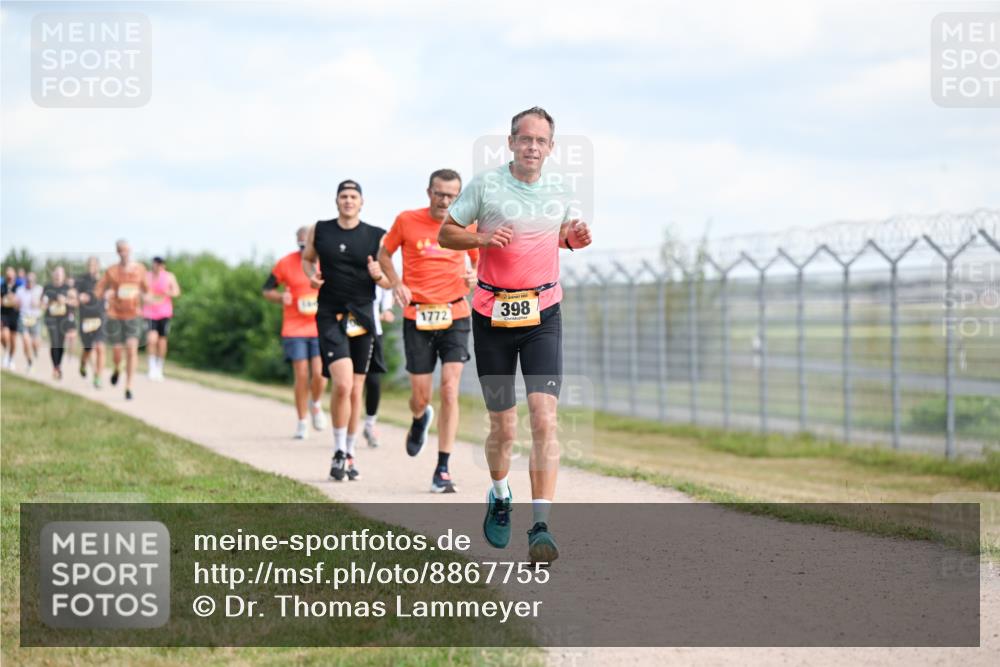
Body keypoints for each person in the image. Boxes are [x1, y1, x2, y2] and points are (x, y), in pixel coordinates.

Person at [438, 107, 592, 564]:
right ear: (510, 142)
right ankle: (500, 493)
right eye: (524, 139)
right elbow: (447, 234)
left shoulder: (560, 190)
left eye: (541, 141)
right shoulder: (485, 185)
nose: (532, 147)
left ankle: (541, 525)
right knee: (504, 428)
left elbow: (558, 237)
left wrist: (574, 237)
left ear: (550, 148)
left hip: (543, 312)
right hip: (492, 314)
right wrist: (482, 241)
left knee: (544, 420)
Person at [378, 168, 479, 494]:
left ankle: (443, 469)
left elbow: (481, 260)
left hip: (455, 313)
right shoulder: (407, 220)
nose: (445, 200)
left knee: (450, 389)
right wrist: (396, 283)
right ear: (429, 192)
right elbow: (384, 253)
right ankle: (420, 418)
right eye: (440, 193)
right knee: (420, 396)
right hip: (417, 315)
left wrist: (475, 277)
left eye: (452, 195)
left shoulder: (467, 224)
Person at [301, 179, 391, 482]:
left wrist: (379, 276)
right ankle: (338, 450)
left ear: (362, 202)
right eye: (343, 196)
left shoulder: (377, 236)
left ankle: (349, 453)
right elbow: (307, 259)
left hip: (363, 317)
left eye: (353, 196)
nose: (348, 201)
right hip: (330, 314)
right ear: (336, 201)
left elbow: (391, 281)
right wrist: (311, 278)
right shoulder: (321, 229)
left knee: (355, 389)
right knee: (341, 384)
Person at [263, 227, 328, 439]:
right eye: (301, 245)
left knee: (320, 373)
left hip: (320, 325)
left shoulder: (326, 261)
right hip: (294, 328)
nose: (304, 249)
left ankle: (316, 403)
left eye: (308, 244)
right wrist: (281, 297)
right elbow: (267, 290)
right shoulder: (285, 263)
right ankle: (302, 422)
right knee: (301, 374)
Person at [96, 240, 147, 400]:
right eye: (120, 250)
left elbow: (147, 290)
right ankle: (117, 367)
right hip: (115, 315)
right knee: (117, 351)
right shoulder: (111, 271)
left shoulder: (140, 269)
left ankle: (129, 386)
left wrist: (144, 298)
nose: (123, 253)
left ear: (130, 250)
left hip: (133, 315)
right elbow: (99, 289)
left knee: (132, 349)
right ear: (117, 252)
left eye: (125, 250)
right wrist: (105, 295)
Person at [360, 285, 396, 448]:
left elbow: (386, 287)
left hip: (374, 331)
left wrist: (387, 308)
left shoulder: (377, 265)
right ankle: (346, 429)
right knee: (350, 383)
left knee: (373, 381)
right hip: (347, 329)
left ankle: (370, 423)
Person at [143, 257, 181, 381]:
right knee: (151, 339)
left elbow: (176, 292)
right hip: (149, 313)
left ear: (163, 266)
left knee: (162, 341)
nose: (156, 267)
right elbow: (140, 291)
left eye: (159, 265)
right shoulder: (147, 276)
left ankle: (159, 367)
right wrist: (145, 297)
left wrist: (167, 292)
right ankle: (151, 367)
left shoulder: (169, 277)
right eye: (154, 265)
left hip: (164, 313)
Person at [76, 257, 107, 388]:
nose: (91, 267)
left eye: (94, 265)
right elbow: (74, 294)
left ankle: (98, 377)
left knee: (100, 347)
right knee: (88, 348)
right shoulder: (82, 280)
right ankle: (83, 363)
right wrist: (80, 297)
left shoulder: (104, 281)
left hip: (100, 318)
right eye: (89, 265)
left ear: (98, 266)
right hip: (86, 319)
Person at [41, 266, 77, 379]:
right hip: (51, 319)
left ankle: (58, 366)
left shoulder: (68, 288)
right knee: (54, 342)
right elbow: (42, 303)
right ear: (53, 275)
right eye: (56, 273)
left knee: (60, 344)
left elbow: (76, 302)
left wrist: (65, 300)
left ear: (63, 276)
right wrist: (50, 302)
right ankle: (55, 367)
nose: (57, 275)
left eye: (60, 274)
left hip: (63, 320)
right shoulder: (47, 287)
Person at [16, 272, 44, 372]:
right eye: (28, 280)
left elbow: (44, 305)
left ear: (35, 281)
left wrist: (38, 304)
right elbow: (16, 305)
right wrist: (16, 304)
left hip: (35, 318)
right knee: (26, 341)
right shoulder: (20, 290)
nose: (29, 282)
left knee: (35, 342)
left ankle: (35, 349)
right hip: (23, 318)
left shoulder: (40, 290)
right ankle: (29, 362)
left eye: (31, 281)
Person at [1, 267, 20, 369]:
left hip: (14, 316)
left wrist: (13, 299)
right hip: (4, 315)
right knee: (3, 335)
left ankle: (11, 358)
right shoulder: (2, 287)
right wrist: (4, 299)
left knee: (13, 341)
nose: (9, 279)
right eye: (8, 277)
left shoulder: (18, 288)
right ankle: (6, 352)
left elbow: (19, 303)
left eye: (11, 277)